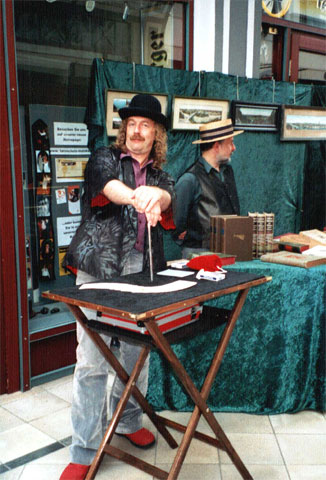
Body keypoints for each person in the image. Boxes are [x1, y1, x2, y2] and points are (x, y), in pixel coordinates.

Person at [60, 94, 175, 480]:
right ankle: (83, 450)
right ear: (124, 128)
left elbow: (168, 195)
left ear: (155, 132)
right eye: (132, 123)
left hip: (140, 271)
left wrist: (156, 195)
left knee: (134, 355)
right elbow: (107, 187)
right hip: (96, 267)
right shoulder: (103, 158)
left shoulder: (159, 173)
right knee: (91, 361)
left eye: (146, 124)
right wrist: (138, 198)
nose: (137, 130)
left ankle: (127, 421)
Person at [173, 118, 243, 258]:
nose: (234, 148)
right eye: (231, 143)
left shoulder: (227, 171)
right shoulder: (190, 179)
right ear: (217, 146)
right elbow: (177, 223)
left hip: (230, 250)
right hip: (199, 254)